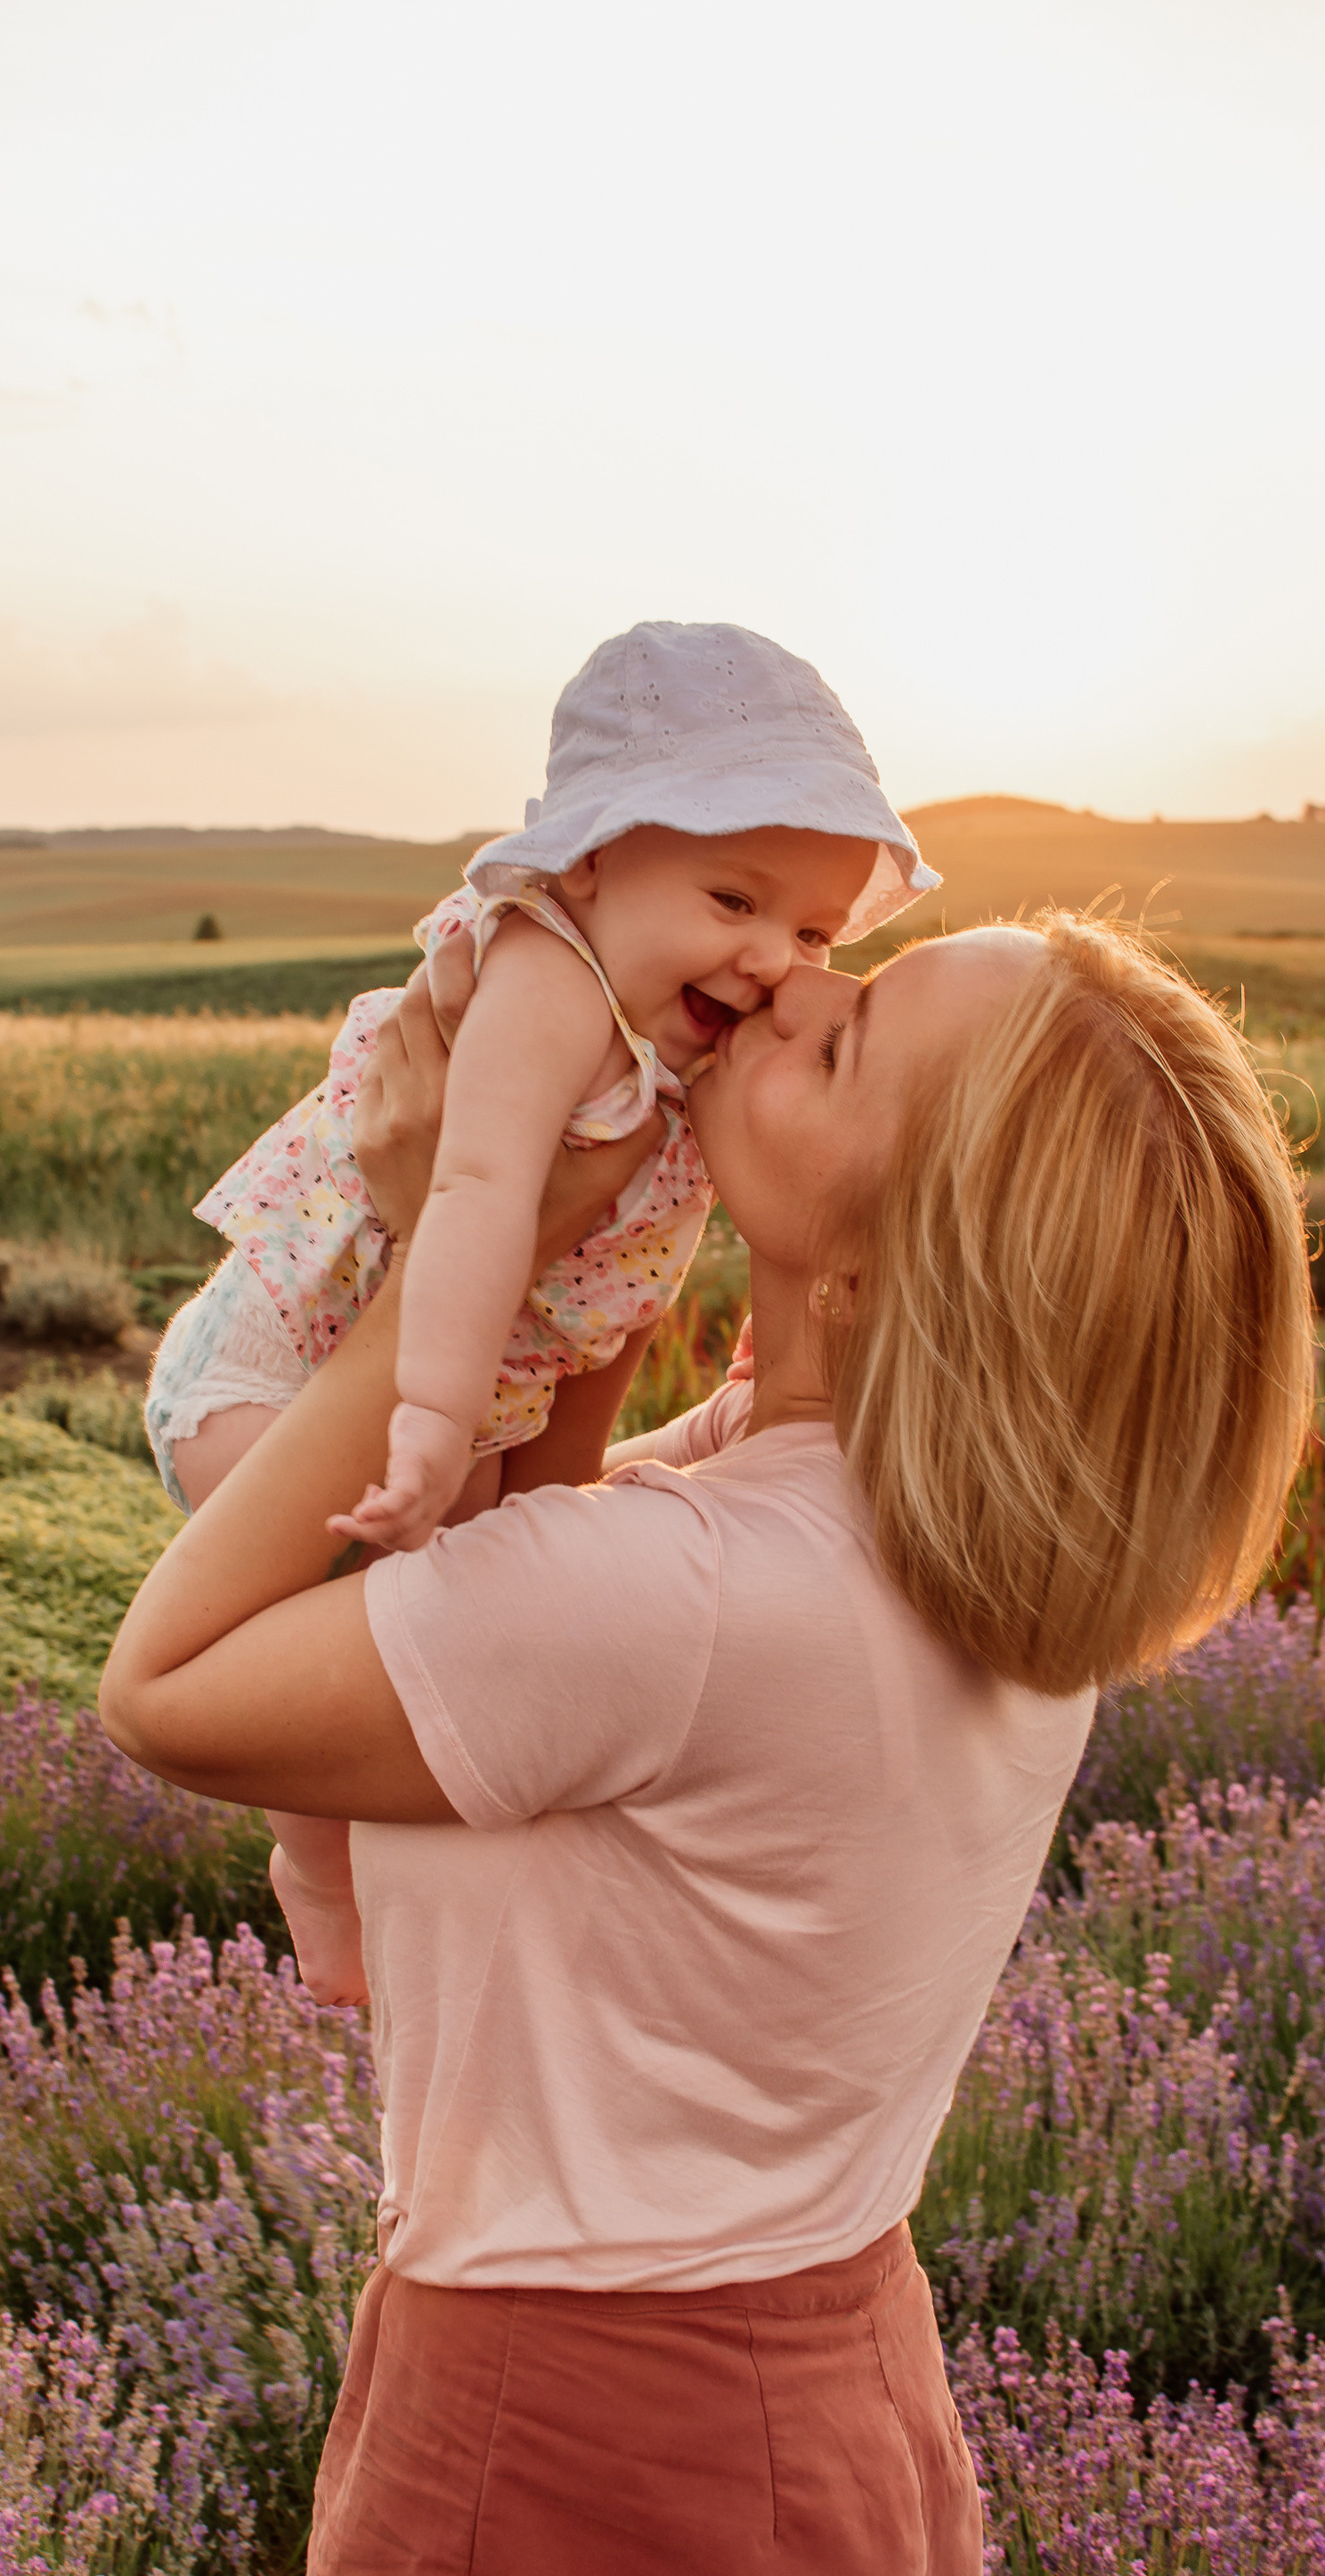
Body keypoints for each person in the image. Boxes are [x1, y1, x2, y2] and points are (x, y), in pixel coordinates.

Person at [100, 905, 1317, 2576]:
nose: (789, 987)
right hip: (826, 2411)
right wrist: (511, 1239)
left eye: (843, 1048)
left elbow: (169, 1684)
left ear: (880, 1264)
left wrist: (436, 1265)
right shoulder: (956, 1562)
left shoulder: (690, 1593)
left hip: (561, 2449)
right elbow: (508, 1587)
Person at [143, 620, 937, 2001]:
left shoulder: (677, 1034)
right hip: (278, 1378)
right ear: (588, 861)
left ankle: (398, 1918)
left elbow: (597, 1318)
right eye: (734, 900)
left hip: (437, 1395)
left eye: (809, 928)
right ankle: (313, 1872)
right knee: (331, 1630)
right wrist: (435, 1422)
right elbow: (479, 1191)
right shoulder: (547, 981)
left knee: (458, 1616)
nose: (772, 962)